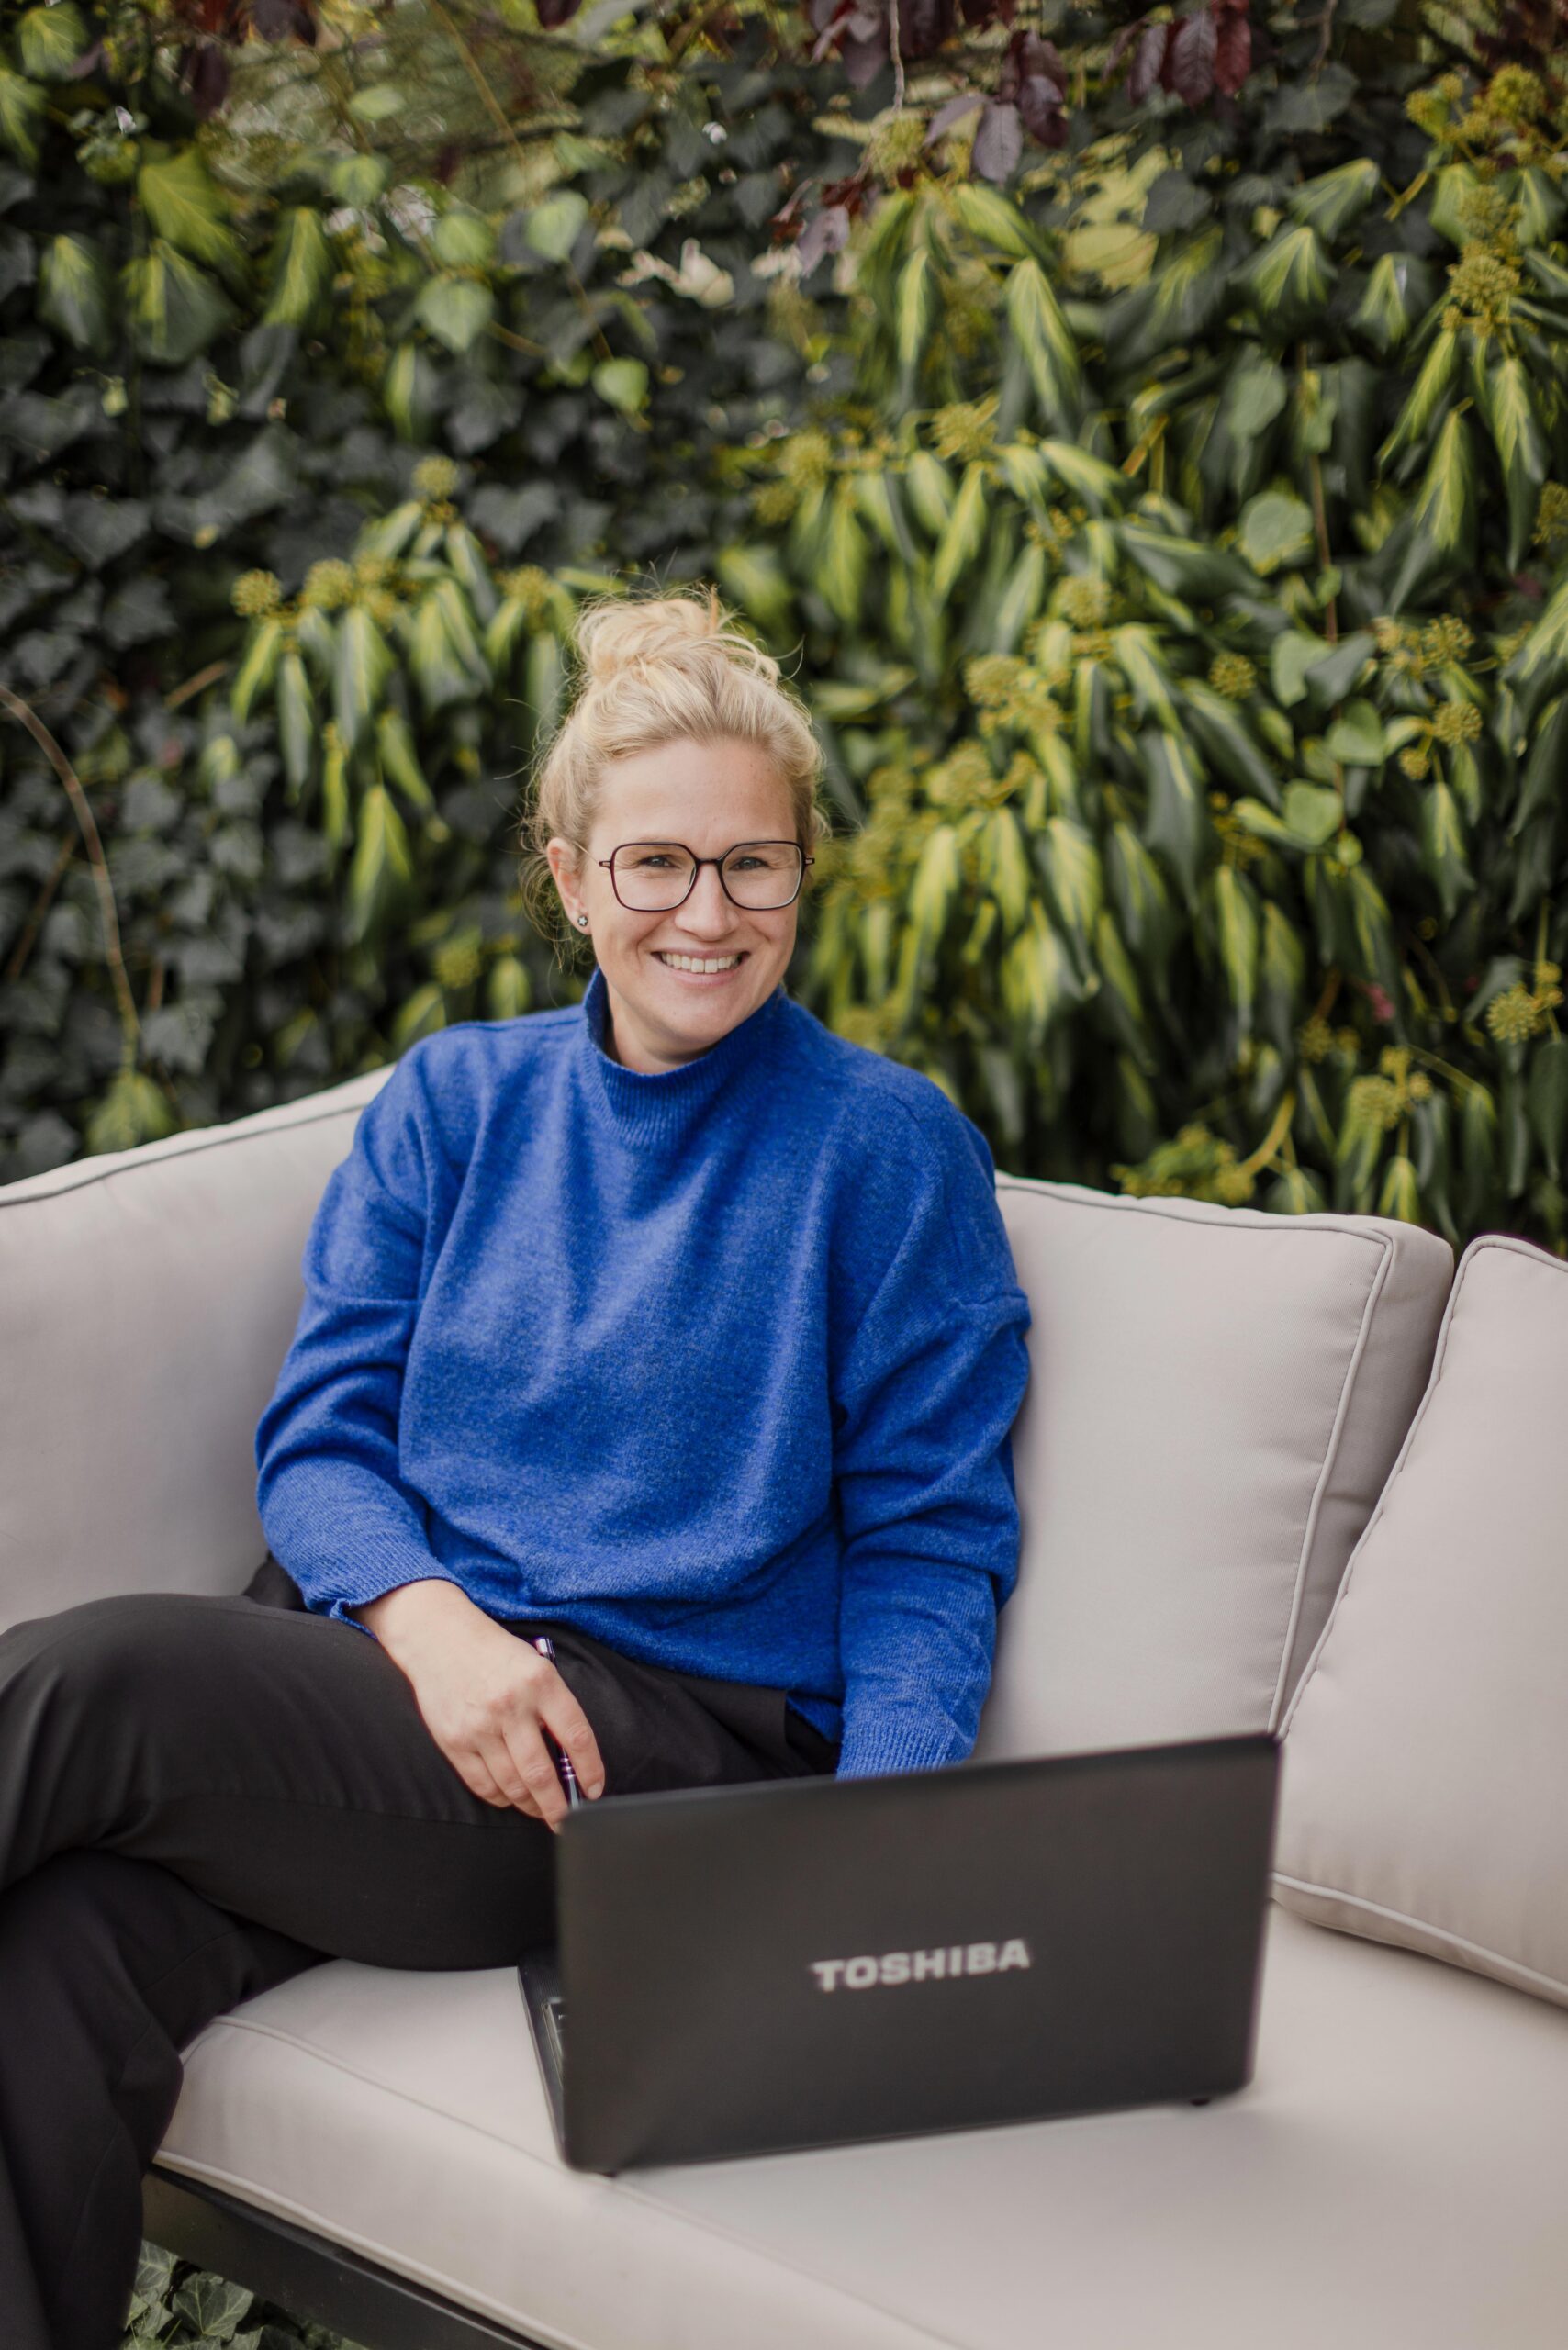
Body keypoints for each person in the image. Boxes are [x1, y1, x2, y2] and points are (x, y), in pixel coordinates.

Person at [0, 584, 1033, 2350]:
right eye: (656, 864)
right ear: (570, 878)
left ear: (802, 874)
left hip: (639, 1760)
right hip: (407, 1682)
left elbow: (931, 1546)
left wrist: (860, 1889)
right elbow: (321, 1438)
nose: (708, 913)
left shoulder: (887, 1149)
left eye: (755, 865)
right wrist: (431, 1625)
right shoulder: (453, 1103)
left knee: (115, 1677)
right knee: (58, 1957)